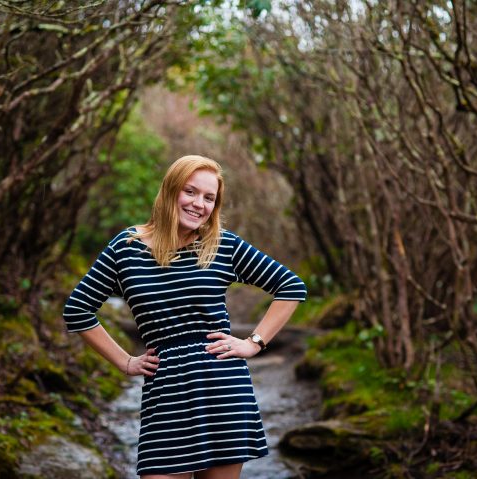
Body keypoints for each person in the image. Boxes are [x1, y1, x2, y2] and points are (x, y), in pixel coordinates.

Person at [63, 155, 307, 479]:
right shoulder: (127, 247)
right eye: (190, 192)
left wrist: (254, 343)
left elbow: (291, 286)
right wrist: (124, 362)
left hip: (223, 387)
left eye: (209, 197)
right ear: (170, 190)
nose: (199, 204)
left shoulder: (221, 245)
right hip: (165, 393)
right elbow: (77, 310)